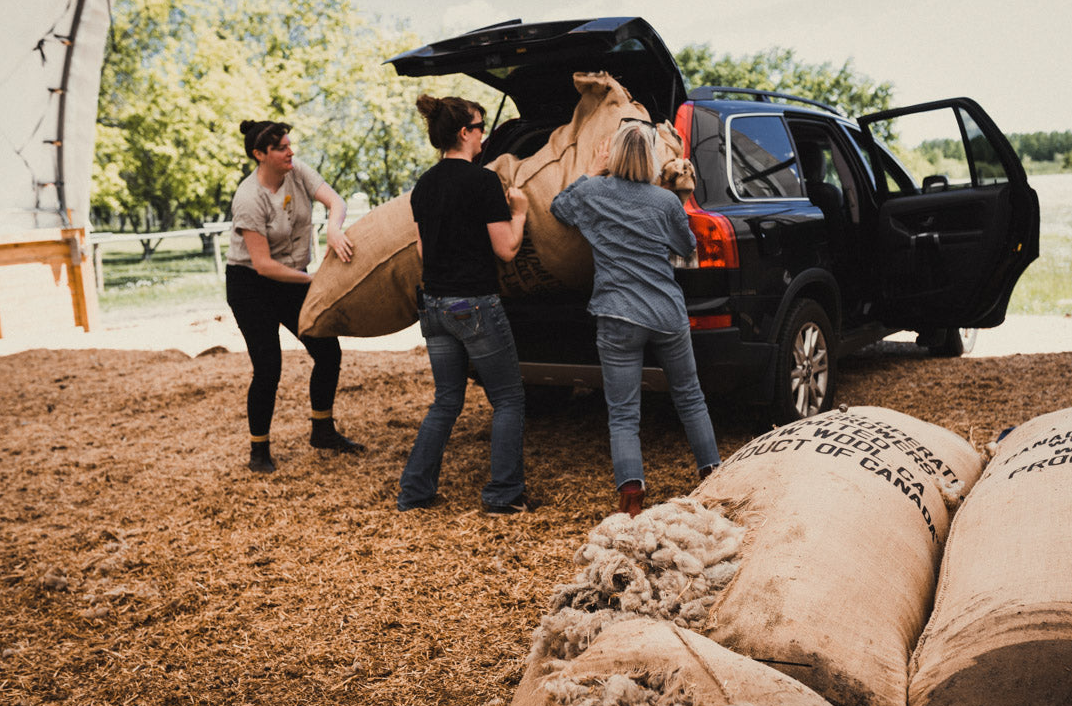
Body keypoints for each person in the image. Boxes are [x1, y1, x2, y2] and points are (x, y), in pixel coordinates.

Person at [551, 121, 720, 516]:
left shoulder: (592, 192)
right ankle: (714, 479)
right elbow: (686, 247)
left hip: (617, 313)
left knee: (624, 412)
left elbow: (559, 208)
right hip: (665, 311)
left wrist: (592, 170)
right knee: (691, 398)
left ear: (613, 155)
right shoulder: (663, 203)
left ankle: (631, 498)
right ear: (651, 159)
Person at [396, 95, 532, 515]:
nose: (483, 134)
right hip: (474, 305)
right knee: (508, 398)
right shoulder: (483, 182)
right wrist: (521, 213)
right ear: (464, 133)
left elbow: (422, 253)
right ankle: (504, 495)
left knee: (446, 401)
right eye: (479, 127)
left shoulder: (424, 185)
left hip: (434, 306)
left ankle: (414, 492)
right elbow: (507, 249)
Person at [225, 119, 364, 473]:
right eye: (282, 148)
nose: (292, 152)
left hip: (295, 278)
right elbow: (263, 265)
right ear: (260, 155)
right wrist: (311, 280)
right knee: (268, 366)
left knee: (327, 351)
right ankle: (259, 451)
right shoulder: (248, 199)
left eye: (290, 144)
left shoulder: (295, 171)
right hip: (251, 285)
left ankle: (322, 431)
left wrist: (333, 228)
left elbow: (335, 201)